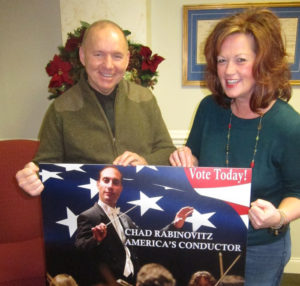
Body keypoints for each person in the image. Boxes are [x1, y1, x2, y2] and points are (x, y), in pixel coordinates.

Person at [169, 7, 300, 286]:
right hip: (208, 236)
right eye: (221, 60)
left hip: (261, 248)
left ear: (264, 63)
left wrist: (279, 217)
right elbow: (193, 157)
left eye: (241, 60)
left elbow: (298, 192)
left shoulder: (288, 126)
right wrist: (186, 158)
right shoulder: (209, 109)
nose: (228, 70)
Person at [16, 19, 175, 196]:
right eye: (98, 54)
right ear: (83, 56)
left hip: (140, 206)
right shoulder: (61, 108)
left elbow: (168, 153)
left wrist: (146, 161)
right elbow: (45, 167)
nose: (108, 65)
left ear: (127, 59)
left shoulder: (145, 99)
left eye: (117, 56)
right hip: (84, 212)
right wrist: (31, 176)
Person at [75, 166, 193, 285]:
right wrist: (96, 239)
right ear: (98, 184)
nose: (110, 186)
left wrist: (175, 225)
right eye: (106, 180)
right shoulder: (88, 216)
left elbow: (147, 240)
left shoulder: (125, 218)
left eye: (115, 182)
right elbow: (80, 250)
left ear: (121, 188)